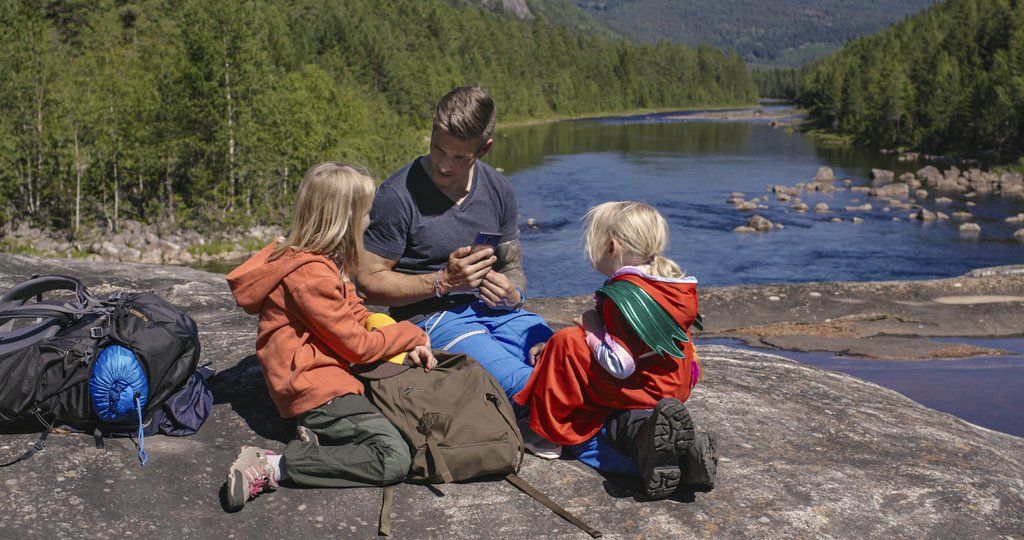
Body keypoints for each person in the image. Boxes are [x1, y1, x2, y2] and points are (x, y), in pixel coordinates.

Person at [222, 162, 437, 511]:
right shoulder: (309, 275)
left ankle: (321, 441)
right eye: (366, 213)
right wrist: (412, 333)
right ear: (344, 218)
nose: (370, 221)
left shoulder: (320, 261)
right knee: (395, 457)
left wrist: (397, 340)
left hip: (327, 377)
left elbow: (356, 313)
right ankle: (272, 465)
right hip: (316, 388)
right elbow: (358, 346)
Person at [356, 86, 552, 402]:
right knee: (524, 387)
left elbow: (513, 266)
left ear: (484, 148)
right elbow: (367, 282)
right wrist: (442, 282)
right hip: (430, 319)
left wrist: (512, 293)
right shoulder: (397, 195)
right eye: (437, 149)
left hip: (498, 313)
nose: (444, 165)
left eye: (459, 156)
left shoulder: (499, 189)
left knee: (566, 364)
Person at [513, 201, 715, 499]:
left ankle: (547, 436)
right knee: (627, 425)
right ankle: (685, 457)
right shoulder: (669, 284)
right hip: (672, 385)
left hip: (642, 388)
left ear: (610, 246)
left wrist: (591, 325)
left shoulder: (623, 293)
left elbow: (620, 363)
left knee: (566, 342)